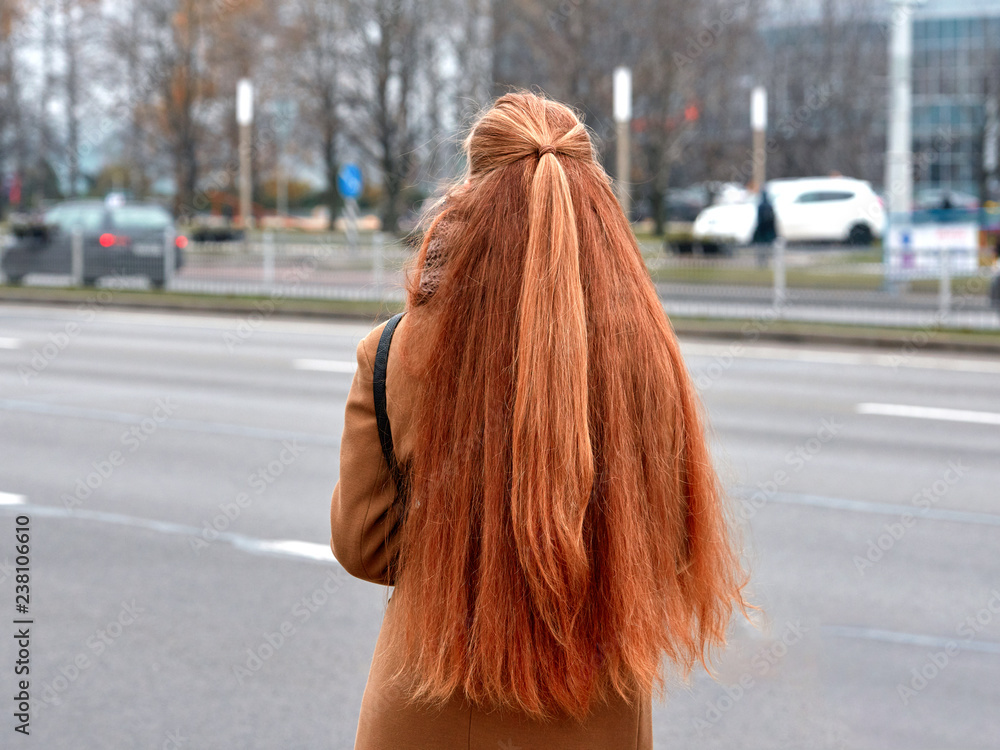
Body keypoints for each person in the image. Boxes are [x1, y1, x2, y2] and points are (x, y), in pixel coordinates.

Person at [330, 91, 748, 750]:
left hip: (428, 708)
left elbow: (365, 548)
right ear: (596, 202)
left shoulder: (393, 351)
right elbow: (667, 548)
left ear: (469, 194)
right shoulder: (645, 360)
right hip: (597, 714)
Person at [751, 189, 777, 267]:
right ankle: (763, 261)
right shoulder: (769, 206)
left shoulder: (761, 206)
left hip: (763, 230)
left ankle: (762, 261)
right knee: (765, 247)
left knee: (761, 247)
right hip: (767, 230)